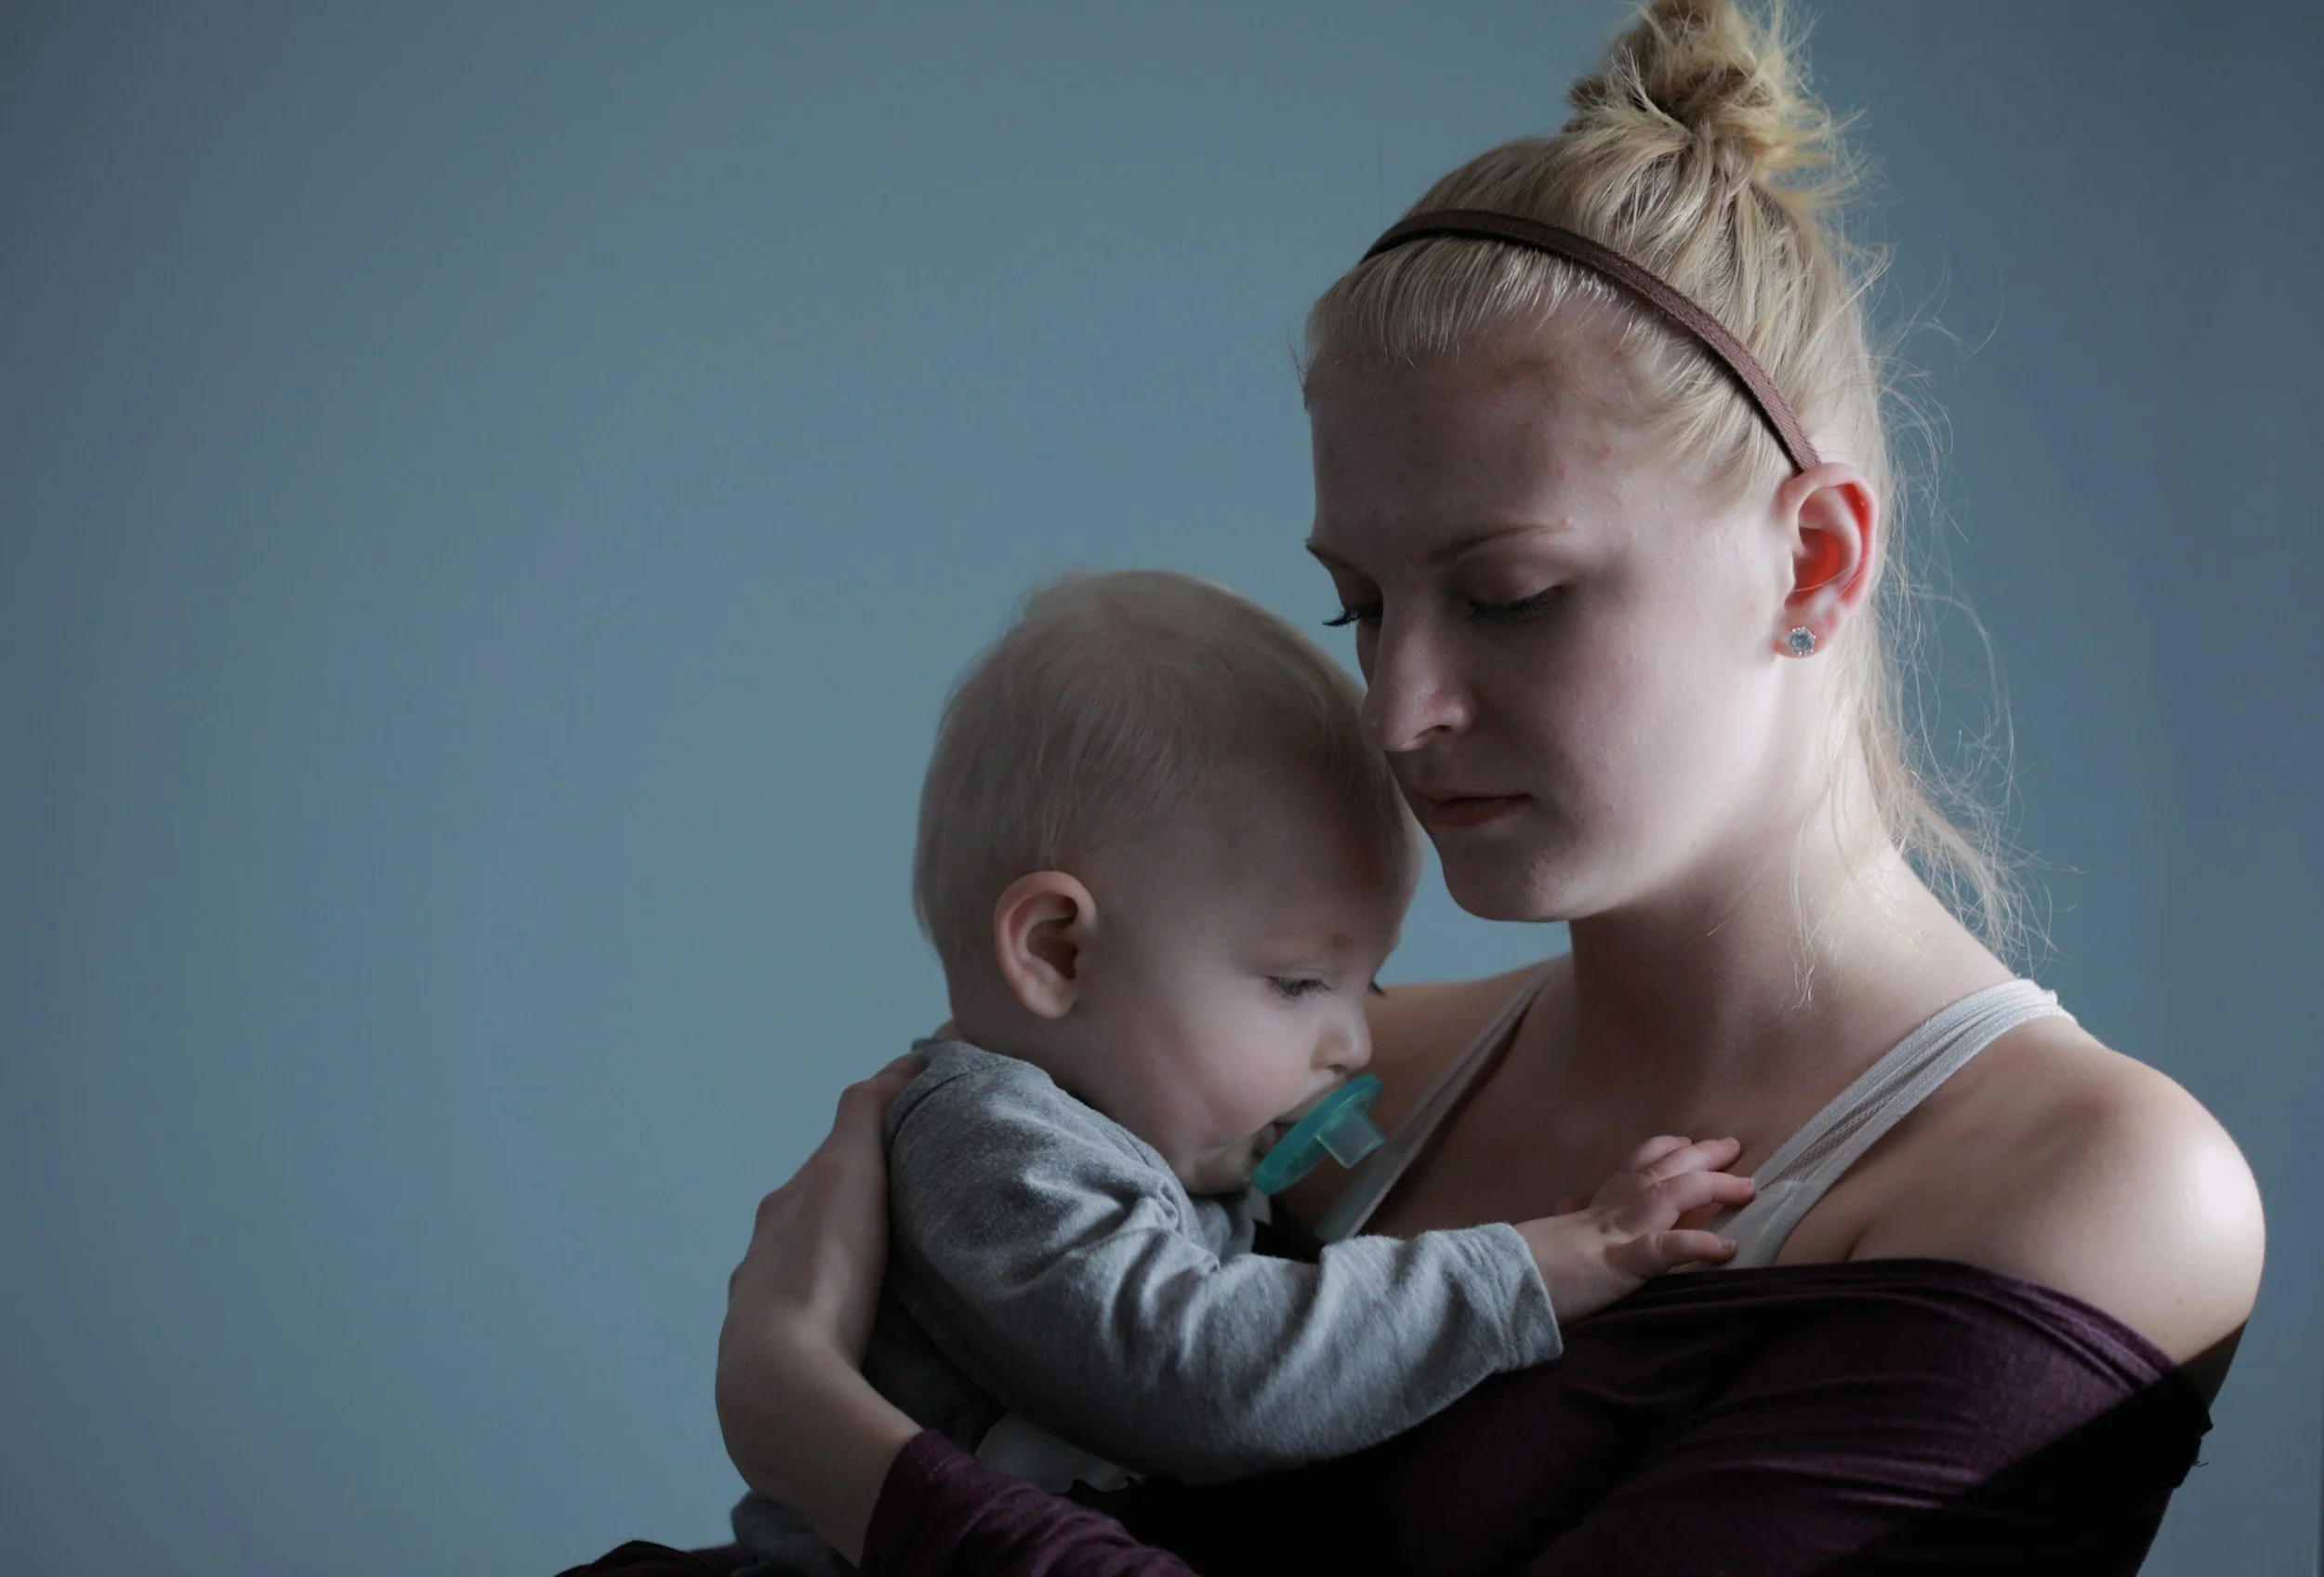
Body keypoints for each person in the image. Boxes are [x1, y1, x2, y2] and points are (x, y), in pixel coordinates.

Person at [567, 1, 2264, 1571]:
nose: (1398, 707)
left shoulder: (2095, 1185)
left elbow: (921, 1430)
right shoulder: (1334, 1068)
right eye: (1360, 607)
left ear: (1813, 559)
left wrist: (829, 1443)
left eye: (1511, 596)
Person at [728, 569, 1754, 1575]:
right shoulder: (992, 1148)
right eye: (1300, 981)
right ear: (1057, 952)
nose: (1352, 1045)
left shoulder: (1153, 1146)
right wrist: (1529, 1267)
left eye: (1370, 989)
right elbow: (1206, 1369)